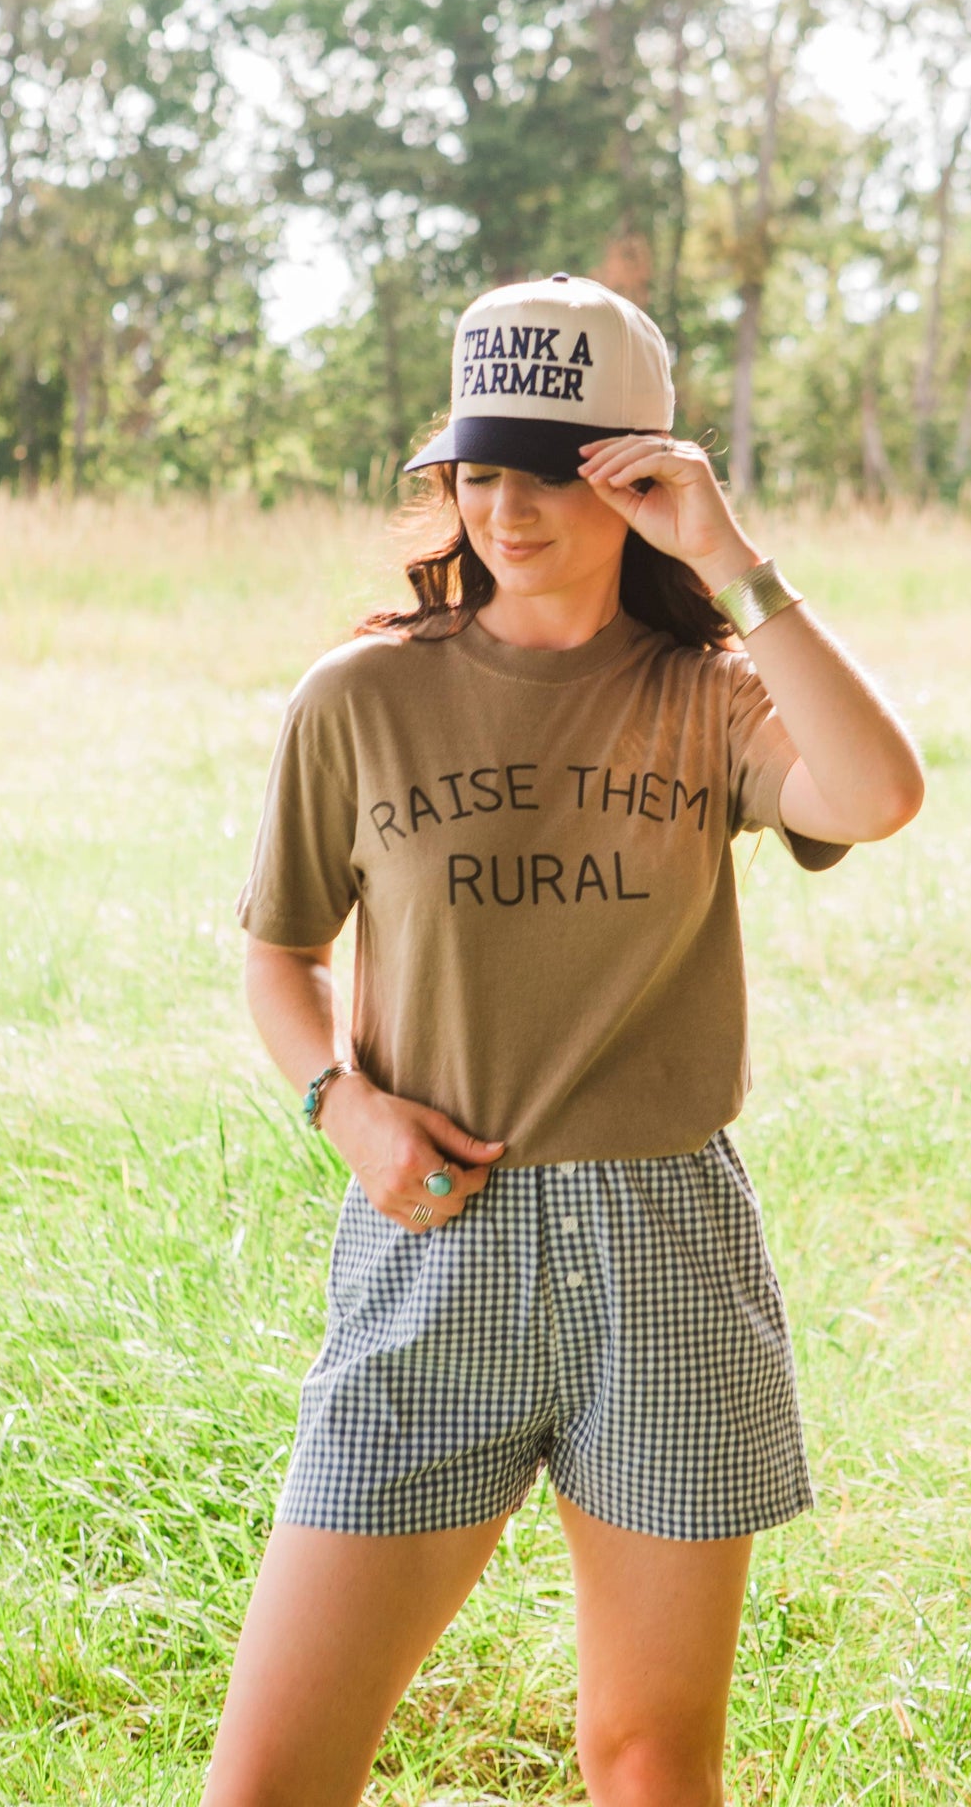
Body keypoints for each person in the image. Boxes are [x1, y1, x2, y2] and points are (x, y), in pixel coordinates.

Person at [206, 272, 925, 1807]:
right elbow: (278, 952)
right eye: (476, 472)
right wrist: (342, 1103)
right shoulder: (361, 696)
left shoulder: (711, 695)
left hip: (661, 1237)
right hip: (433, 1235)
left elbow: (871, 796)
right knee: (271, 1775)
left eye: (551, 470)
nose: (506, 508)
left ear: (639, 475)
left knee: (650, 1754)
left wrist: (730, 561)